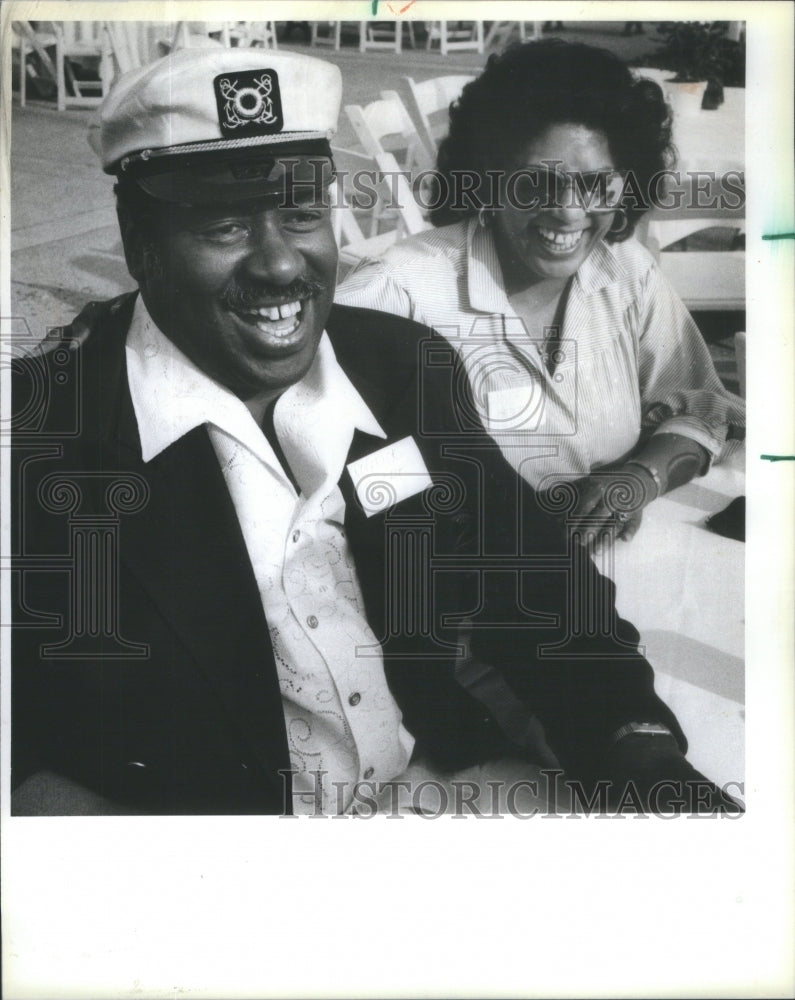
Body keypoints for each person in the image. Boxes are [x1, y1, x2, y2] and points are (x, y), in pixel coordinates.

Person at [11, 47, 740, 817]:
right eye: (224, 226)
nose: (281, 265)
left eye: (301, 215)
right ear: (138, 240)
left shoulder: (397, 364)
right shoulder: (47, 436)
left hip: (439, 781)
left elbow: (533, 581)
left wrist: (634, 748)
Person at [336, 40, 745, 547]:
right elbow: (337, 467)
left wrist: (639, 478)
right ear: (487, 178)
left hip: (622, 567)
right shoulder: (398, 292)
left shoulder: (625, 274)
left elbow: (700, 406)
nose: (570, 213)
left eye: (598, 184)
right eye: (537, 184)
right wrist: (491, 520)